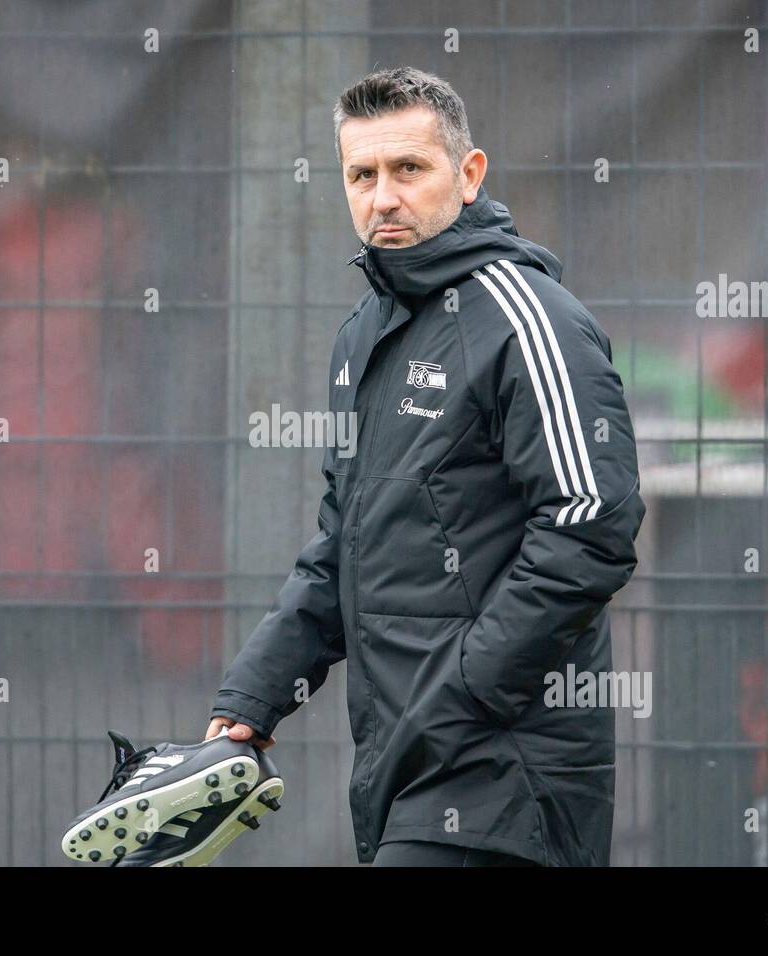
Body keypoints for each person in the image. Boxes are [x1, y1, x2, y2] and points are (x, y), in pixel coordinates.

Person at [206, 67, 645, 867]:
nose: (382, 197)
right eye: (361, 175)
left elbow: (592, 523)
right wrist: (254, 695)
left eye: (409, 169)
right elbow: (343, 543)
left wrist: (468, 690)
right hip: (405, 774)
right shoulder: (363, 335)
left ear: (468, 175)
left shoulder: (532, 317)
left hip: (510, 781)